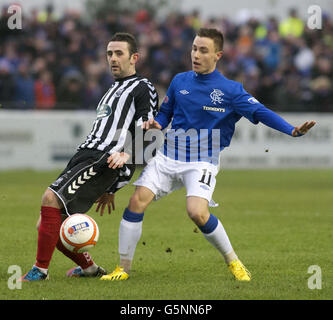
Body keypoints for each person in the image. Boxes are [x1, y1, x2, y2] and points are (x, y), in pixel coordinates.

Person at [100, 28, 316, 282]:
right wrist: (158, 123)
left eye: (203, 50)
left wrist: (291, 130)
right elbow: (166, 112)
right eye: (194, 48)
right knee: (137, 202)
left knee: (197, 212)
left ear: (218, 55)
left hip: (202, 160)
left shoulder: (231, 90)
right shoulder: (180, 81)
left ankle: (233, 261)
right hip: (168, 156)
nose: (196, 54)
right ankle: (123, 269)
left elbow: (260, 112)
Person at [20, 32, 159, 281]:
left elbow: (148, 128)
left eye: (119, 53)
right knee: (46, 224)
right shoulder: (111, 89)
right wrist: (113, 187)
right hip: (84, 155)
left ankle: (40, 271)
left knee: (50, 198)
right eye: (109, 53)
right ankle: (90, 269)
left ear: (134, 57)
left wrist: (126, 156)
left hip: (104, 158)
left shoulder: (142, 86)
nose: (112, 59)